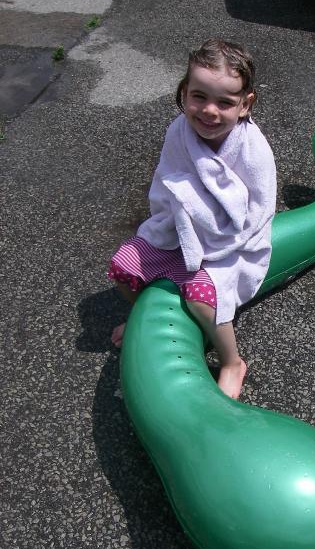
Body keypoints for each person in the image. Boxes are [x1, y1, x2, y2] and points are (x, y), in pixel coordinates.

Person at [108, 38, 277, 400]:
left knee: (202, 297)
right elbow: (167, 183)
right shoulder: (178, 132)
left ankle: (231, 361)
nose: (209, 111)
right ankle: (144, 317)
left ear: (245, 105)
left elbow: (259, 212)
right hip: (178, 230)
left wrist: (218, 240)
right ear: (184, 93)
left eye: (225, 102)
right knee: (123, 266)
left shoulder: (253, 149)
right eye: (199, 97)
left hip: (227, 244)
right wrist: (180, 220)